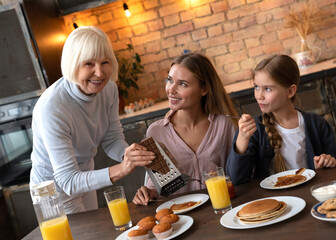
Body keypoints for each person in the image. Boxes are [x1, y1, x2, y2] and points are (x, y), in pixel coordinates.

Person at [30, 26, 155, 214]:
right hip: (53, 189)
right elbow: (68, 181)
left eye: (105, 62)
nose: (99, 72)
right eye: (89, 64)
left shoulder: (109, 89)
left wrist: (131, 155)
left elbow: (112, 140)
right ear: (73, 64)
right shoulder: (52, 107)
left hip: (84, 175)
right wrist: (122, 168)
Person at [132, 52, 238, 205]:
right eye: (170, 80)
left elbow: (237, 174)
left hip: (221, 209)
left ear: (204, 90)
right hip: (180, 218)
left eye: (183, 84)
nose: (171, 89)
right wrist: (149, 192)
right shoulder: (156, 132)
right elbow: (157, 184)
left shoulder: (224, 126)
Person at [226, 54, 336, 185]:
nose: (259, 96)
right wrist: (242, 139)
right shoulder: (255, 131)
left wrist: (326, 164)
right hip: (273, 201)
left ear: (290, 91)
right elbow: (235, 180)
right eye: (256, 87)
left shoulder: (318, 124)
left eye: (267, 89)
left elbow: (335, 169)